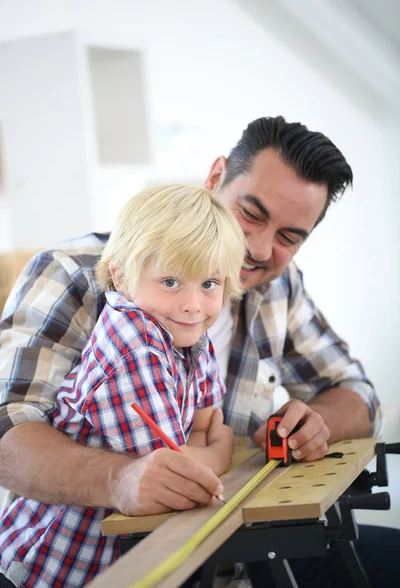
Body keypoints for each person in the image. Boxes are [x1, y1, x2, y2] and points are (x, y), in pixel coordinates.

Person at [0, 115, 396, 587]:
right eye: (252, 213)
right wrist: (117, 480)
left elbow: (357, 393)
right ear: (214, 178)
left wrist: (315, 422)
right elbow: (8, 433)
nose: (260, 248)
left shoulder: (278, 288)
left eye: (290, 238)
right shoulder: (72, 272)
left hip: (236, 548)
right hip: (99, 563)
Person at [0, 184, 246, 587]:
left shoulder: (190, 334)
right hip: (51, 569)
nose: (192, 304)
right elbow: (177, 473)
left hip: (121, 561)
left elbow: (204, 424)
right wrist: (219, 451)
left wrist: (206, 450)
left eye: (209, 284)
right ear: (120, 274)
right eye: (170, 282)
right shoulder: (132, 341)